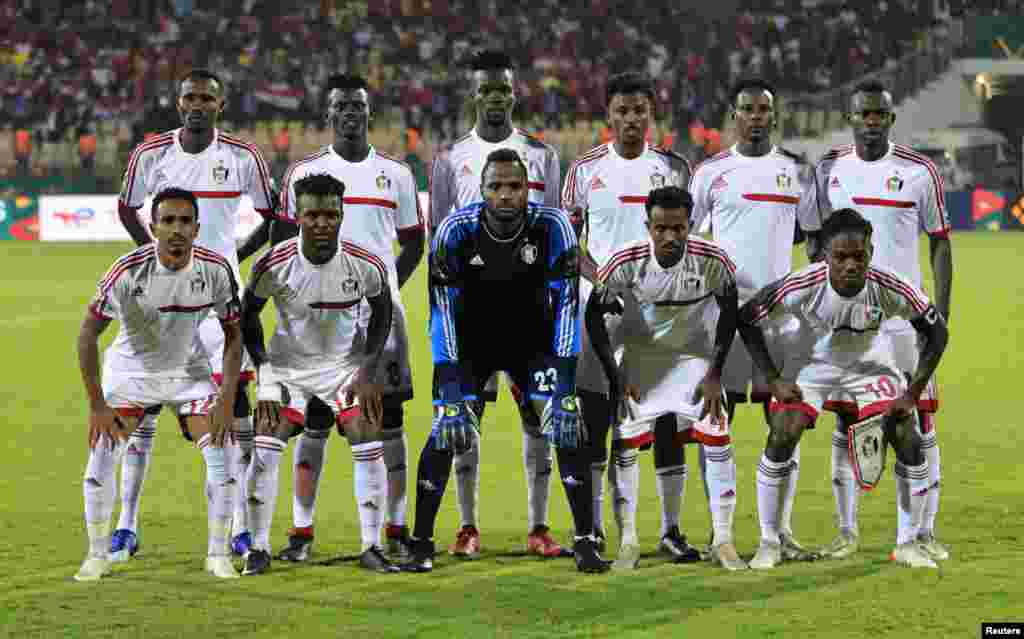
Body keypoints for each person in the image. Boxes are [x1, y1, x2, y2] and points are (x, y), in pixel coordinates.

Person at [404, 149, 607, 574]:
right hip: (472, 348)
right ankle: (420, 541)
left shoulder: (553, 228)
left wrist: (565, 387)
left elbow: (568, 308)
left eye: (514, 186)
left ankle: (586, 541)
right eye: (496, 186)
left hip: (533, 346)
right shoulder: (455, 232)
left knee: (567, 424)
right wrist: (452, 389)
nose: (506, 195)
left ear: (527, 188)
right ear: (481, 191)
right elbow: (442, 318)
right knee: (447, 428)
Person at [115, 69, 277, 561]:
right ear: (178, 102)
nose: (198, 104)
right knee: (143, 410)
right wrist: (155, 254)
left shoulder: (242, 156)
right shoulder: (152, 154)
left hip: (220, 304)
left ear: (220, 104)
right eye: (191, 97)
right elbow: (127, 209)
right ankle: (125, 525)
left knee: (235, 412)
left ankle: (241, 529)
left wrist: (233, 258)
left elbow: (273, 218)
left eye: (207, 97)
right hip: (161, 301)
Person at [737, 208, 949, 569]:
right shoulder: (800, 285)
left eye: (859, 256)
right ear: (825, 256)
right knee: (783, 432)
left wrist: (912, 393)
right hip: (812, 367)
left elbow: (937, 332)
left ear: (870, 252)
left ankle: (908, 543)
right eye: (840, 257)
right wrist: (774, 379)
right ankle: (769, 542)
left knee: (906, 435)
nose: (851, 264)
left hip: (870, 368)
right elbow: (747, 318)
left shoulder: (890, 286)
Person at [799, 80, 953, 561]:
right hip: (846, 321)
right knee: (845, 421)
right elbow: (811, 238)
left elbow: (941, 242)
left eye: (879, 115)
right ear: (850, 118)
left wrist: (941, 309)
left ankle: (920, 534)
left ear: (890, 118)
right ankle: (846, 531)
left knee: (918, 420)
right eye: (863, 114)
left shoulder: (920, 171)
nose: (871, 122)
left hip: (903, 321)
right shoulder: (830, 170)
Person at [273, 74, 424, 562]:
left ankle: (394, 528)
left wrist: (385, 290)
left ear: (369, 112)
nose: (350, 113)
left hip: (380, 317)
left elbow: (414, 242)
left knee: (389, 423)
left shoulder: (396, 175)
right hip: (319, 318)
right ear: (329, 114)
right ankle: (301, 533)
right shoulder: (303, 174)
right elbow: (282, 240)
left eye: (358, 105)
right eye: (341, 106)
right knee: (315, 424)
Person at [428, 50, 564, 559]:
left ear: (514, 93)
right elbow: (438, 241)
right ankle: (467, 527)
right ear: (474, 94)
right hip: (471, 312)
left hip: (529, 310)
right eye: (486, 89)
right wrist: (441, 319)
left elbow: (554, 236)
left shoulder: (542, 155)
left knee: (536, 419)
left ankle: (539, 526)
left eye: (503, 89)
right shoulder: (448, 159)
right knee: (468, 417)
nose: (495, 98)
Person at [75, 188, 243, 581]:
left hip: (189, 372)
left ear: (197, 228)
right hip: (133, 373)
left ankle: (217, 554)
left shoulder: (216, 270)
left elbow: (234, 335)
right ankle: (97, 554)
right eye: (168, 221)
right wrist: (98, 405)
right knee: (101, 458)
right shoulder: (127, 271)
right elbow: (87, 334)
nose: (176, 229)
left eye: (185, 221)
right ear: (153, 227)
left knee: (223, 454)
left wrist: (226, 397)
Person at [562, 71, 691, 569]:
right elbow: (569, 243)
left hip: (661, 312)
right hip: (599, 310)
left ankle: (671, 530)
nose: (631, 119)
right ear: (609, 116)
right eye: (622, 111)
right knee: (595, 419)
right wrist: (605, 281)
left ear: (650, 114)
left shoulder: (674, 168)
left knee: (665, 419)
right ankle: (591, 530)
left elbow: (683, 238)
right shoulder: (585, 170)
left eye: (640, 110)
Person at [239, 173, 399, 575]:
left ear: (343, 214)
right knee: (266, 442)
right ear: (297, 215)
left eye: (331, 214)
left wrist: (367, 367)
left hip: (343, 367)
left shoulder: (364, 264)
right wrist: (266, 374)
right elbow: (248, 317)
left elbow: (382, 313)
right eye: (312, 214)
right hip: (288, 368)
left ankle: (371, 546)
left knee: (366, 432)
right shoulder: (274, 264)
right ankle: (258, 548)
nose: (322, 223)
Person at [686, 78, 812, 568]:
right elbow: (690, 240)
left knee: (786, 421)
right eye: (747, 109)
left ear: (774, 116)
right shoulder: (711, 173)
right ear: (733, 115)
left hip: (779, 318)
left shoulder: (795, 172)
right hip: (721, 318)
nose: (756, 117)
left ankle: (778, 531)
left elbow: (812, 236)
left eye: (764, 109)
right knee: (716, 421)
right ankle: (720, 536)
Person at [586, 186, 737, 570]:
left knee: (717, 429)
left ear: (690, 225)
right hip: (640, 359)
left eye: (679, 228)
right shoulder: (625, 261)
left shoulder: (713, 259)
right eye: (660, 228)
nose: (670, 237)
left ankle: (723, 539)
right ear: (648, 226)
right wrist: (616, 375)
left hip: (693, 358)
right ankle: (629, 541)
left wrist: (716, 372)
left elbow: (730, 309)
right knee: (625, 442)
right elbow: (594, 315)